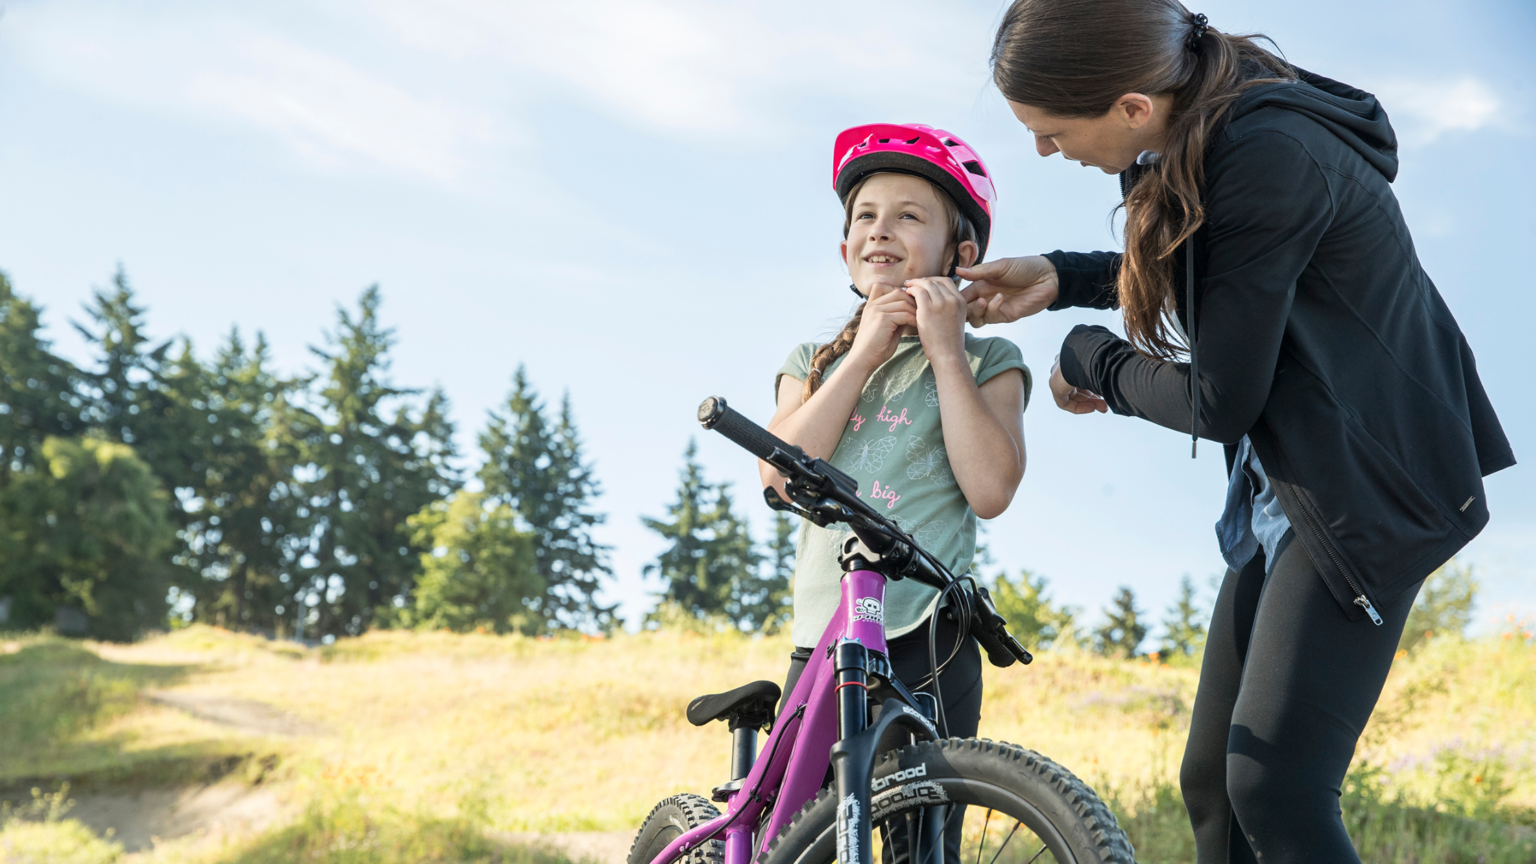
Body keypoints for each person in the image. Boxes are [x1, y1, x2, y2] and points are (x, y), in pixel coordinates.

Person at [958, 2, 1515, 862]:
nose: (1043, 150)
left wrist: (1088, 357)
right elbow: (1226, 281)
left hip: (1368, 488)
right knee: (1216, 784)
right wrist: (1062, 277)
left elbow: (1220, 399)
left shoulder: (1267, 152)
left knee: (1277, 788)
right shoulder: (1207, 131)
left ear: (1134, 106)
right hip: (1289, 482)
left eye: (1052, 131)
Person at [761, 123, 1030, 747]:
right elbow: (779, 475)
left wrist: (945, 351)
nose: (880, 229)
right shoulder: (812, 361)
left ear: (959, 256)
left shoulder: (989, 361)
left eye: (909, 216)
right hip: (824, 632)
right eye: (866, 215)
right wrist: (861, 355)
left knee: (928, 838)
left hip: (931, 633)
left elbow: (991, 490)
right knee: (809, 833)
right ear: (846, 247)